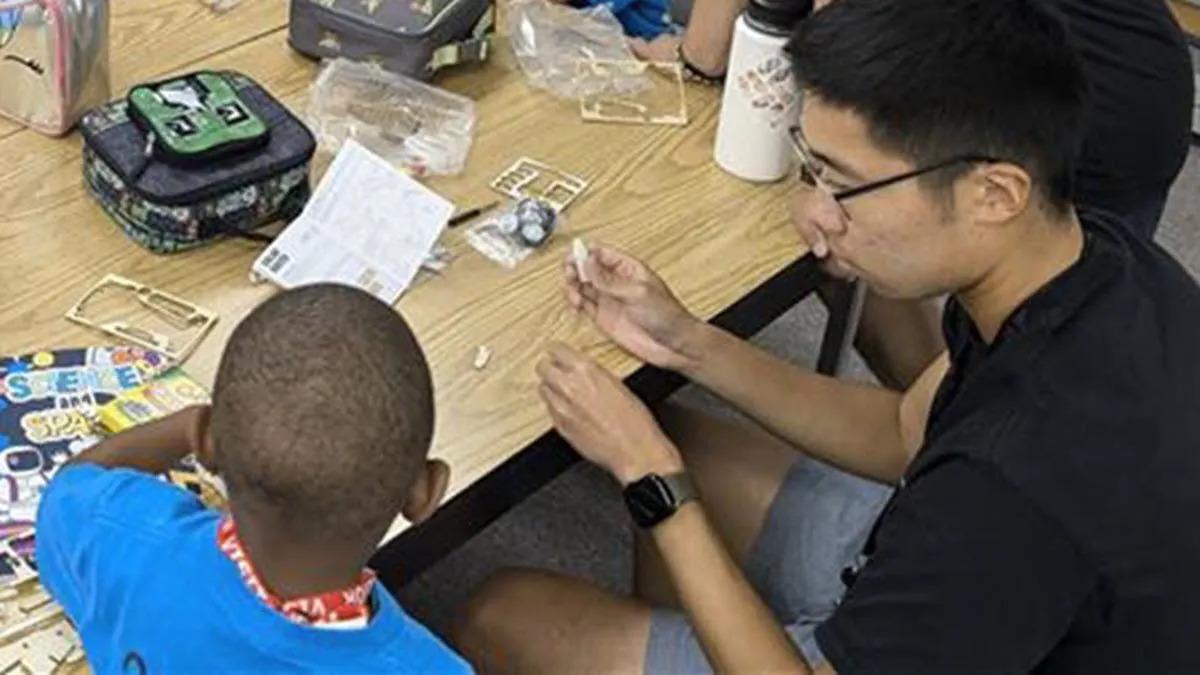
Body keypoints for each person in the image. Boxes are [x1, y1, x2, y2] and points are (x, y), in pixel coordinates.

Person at [452, 1, 1200, 673]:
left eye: (841, 183)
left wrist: (655, 479)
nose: (812, 212)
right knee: (660, 429)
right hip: (937, 576)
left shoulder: (1016, 485)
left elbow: (983, 500)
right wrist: (686, 341)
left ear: (993, 192)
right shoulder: (1087, 253)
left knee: (506, 615)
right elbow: (906, 429)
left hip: (960, 594)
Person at [638, 0, 1196, 389]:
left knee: (1019, 362)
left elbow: (727, 54)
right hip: (1132, 77)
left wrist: (696, 60)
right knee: (998, 365)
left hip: (1071, 110)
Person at [36, 285, 469, 673]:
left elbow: (72, 486)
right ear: (424, 493)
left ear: (210, 446)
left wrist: (189, 427)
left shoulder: (131, 537)